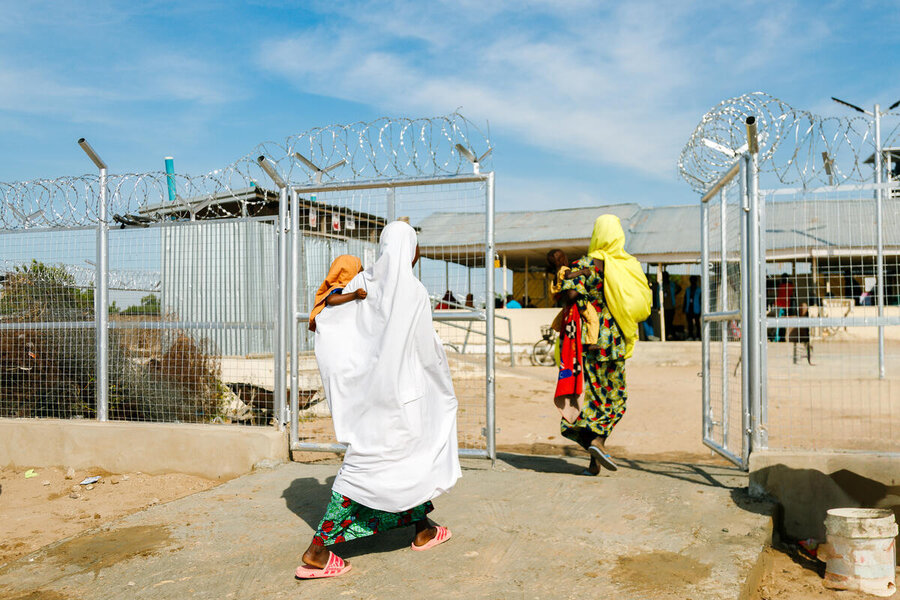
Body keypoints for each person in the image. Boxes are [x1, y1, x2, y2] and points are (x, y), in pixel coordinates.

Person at [296, 221, 461, 579]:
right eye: (415, 247)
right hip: (402, 401)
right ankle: (317, 552)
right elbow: (426, 352)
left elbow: (330, 324)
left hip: (369, 398)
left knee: (405, 463)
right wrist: (441, 389)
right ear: (409, 250)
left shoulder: (360, 283)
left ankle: (423, 529)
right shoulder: (413, 292)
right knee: (367, 472)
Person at [559, 215, 651, 476]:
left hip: (590, 341)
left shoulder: (585, 264)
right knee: (616, 399)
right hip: (615, 341)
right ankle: (595, 449)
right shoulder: (628, 265)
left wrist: (578, 276)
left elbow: (570, 295)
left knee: (597, 396)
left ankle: (592, 446)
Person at [547, 249, 600, 349]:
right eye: (564, 257)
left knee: (563, 315)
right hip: (580, 302)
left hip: (563, 301)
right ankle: (591, 342)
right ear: (562, 260)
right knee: (593, 319)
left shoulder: (556, 273)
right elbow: (569, 276)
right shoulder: (564, 269)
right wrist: (582, 272)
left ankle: (555, 326)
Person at [308, 255, 365, 332]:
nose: (362, 272)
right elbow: (331, 299)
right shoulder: (338, 288)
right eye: (358, 271)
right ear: (349, 272)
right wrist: (354, 295)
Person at [774, 275, 793, 342]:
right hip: (786, 306)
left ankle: (777, 338)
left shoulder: (780, 286)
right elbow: (791, 295)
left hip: (779, 305)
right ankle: (782, 337)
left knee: (777, 322)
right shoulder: (790, 286)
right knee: (785, 323)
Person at [662, 271, 679, 340]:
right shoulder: (661, 285)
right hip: (663, 307)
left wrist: (674, 294)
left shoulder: (672, 284)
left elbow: (679, 288)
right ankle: (665, 335)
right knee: (665, 322)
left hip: (671, 307)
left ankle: (671, 334)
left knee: (670, 321)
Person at [684, 275, 702, 341]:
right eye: (691, 280)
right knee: (690, 323)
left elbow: (701, 300)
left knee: (697, 323)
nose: (692, 282)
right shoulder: (688, 289)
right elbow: (685, 299)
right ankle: (690, 336)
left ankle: (698, 336)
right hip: (689, 308)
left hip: (697, 309)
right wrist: (684, 308)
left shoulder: (699, 290)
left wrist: (701, 309)